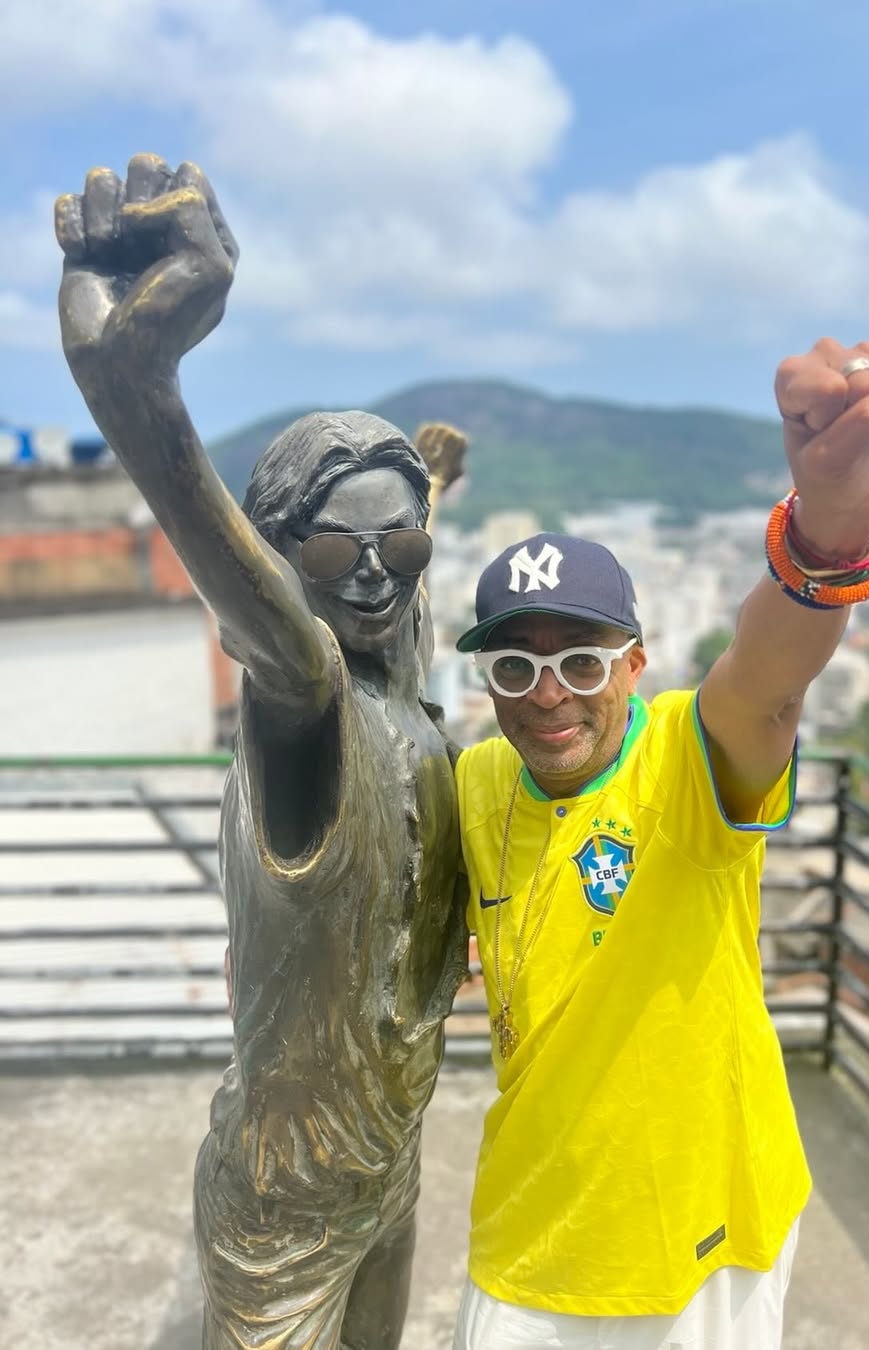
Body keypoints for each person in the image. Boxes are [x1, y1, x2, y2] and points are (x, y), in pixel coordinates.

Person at [451, 342, 869, 1350]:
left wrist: (831, 526)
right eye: (514, 666)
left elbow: (767, 678)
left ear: (634, 661)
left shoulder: (684, 755)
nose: (548, 694)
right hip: (526, 1223)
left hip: (701, 1235)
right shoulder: (475, 779)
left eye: (582, 662)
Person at [55, 155, 469, 1349]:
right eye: (339, 556)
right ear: (285, 561)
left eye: (406, 543)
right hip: (285, 1204)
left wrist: (428, 485)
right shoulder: (309, 701)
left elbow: (394, 581)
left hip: (389, 1158)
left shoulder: (394, 677)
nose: (380, 570)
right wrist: (133, 386)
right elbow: (274, 621)